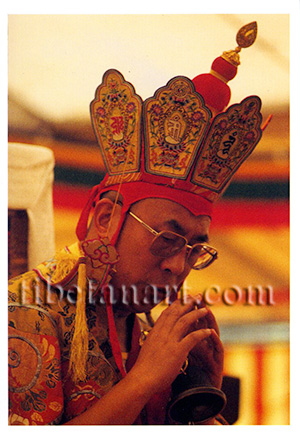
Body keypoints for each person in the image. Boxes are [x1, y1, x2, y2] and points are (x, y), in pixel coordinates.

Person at [8, 22, 263, 425]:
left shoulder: (144, 327)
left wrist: (194, 401)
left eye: (195, 249)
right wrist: (143, 381)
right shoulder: (24, 310)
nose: (178, 267)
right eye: (167, 238)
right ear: (108, 218)